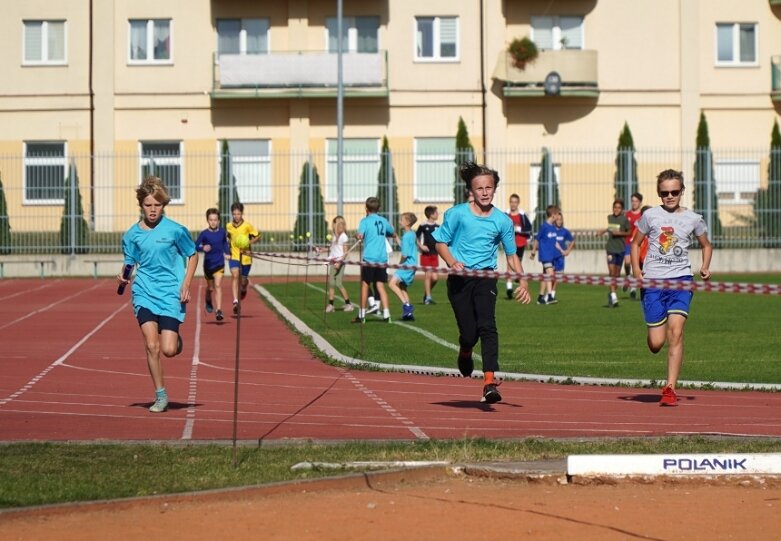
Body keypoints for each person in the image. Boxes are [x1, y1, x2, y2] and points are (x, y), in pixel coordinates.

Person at [434, 162, 531, 404]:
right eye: (480, 188)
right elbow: (440, 243)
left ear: (495, 189)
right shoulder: (457, 214)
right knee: (469, 333)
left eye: (489, 187)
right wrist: (451, 261)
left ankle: (489, 382)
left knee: (488, 326)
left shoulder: (502, 221)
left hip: (486, 277)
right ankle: (465, 351)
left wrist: (523, 281)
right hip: (459, 278)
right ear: (471, 190)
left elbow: (511, 256)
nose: (485, 192)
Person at [631, 169, 712, 407]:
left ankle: (670, 388)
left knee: (676, 332)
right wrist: (637, 271)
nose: (670, 196)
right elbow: (635, 244)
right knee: (656, 343)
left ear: (682, 191)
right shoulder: (650, 216)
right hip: (653, 283)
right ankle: (654, 337)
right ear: (659, 193)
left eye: (674, 192)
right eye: (665, 192)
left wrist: (705, 266)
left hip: (681, 281)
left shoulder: (694, 218)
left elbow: (706, 245)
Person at [118, 176, 198, 413]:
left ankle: (174, 338)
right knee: (152, 346)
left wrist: (186, 284)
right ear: (141, 205)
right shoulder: (132, 235)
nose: (153, 210)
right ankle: (160, 395)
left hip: (170, 293)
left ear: (163, 205)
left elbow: (192, 255)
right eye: (148, 205)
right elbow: (130, 262)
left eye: (157, 205)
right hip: (144, 292)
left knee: (169, 350)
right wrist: (123, 276)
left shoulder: (175, 230)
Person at [353, 197, 398, 323]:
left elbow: (360, 235)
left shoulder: (365, 221)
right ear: (379, 208)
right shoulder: (383, 220)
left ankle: (361, 315)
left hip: (370, 258)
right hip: (382, 259)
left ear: (366, 208)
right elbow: (393, 233)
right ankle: (387, 315)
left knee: (365, 285)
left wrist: (358, 236)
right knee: (380, 286)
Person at [194, 208, 229, 321]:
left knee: (218, 285)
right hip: (208, 265)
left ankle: (219, 310)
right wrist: (202, 247)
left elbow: (224, 243)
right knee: (211, 288)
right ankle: (208, 299)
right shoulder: (204, 234)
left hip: (220, 264)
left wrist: (227, 253)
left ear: (219, 221)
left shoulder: (222, 232)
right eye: (211, 220)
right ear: (207, 220)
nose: (213, 222)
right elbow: (194, 246)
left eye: (215, 220)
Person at [226, 202, 259, 315]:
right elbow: (227, 238)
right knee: (235, 275)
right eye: (234, 214)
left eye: (238, 214)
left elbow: (257, 236)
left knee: (243, 281)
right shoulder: (229, 226)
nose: (236, 216)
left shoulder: (247, 226)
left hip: (246, 257)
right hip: (234, 256)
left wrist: (248, 242)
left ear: (242, 214)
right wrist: (227, 250)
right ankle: (236, 301)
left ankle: (244, 288)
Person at [315, 216, 354, 313]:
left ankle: (349, 304)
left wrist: (339, 263)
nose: (332, 225)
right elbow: (332, 248)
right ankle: (331, 305)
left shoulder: (343, 237)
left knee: (338, 283)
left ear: (337, 224)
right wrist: (321, 249)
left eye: (333, 223)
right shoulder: (335, 236)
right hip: (333, 261)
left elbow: (345, 253)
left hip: (339, 262)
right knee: (332, 283)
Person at [599, 199, 630, 307]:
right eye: (614, 207)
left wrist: (620, 233)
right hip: (610, 249)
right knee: (611, 273)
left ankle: (611, 294)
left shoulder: (625, 220)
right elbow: (610, 228)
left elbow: (629, 232)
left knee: (616, 274)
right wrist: (603, 231)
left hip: (620, 249)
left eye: (618, 207)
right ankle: (613, 296)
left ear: (622, 209)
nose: (616, 209)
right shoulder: (610, 217)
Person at [388, 212, 418, 321]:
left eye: (401, 220)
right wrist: (395, 236)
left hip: (407, 265)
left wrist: (399, 263)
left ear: (407, 222)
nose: (399, 222)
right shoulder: (411, 234)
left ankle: (407, 305)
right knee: (402, 287)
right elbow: (404, 246)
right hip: (412, 265)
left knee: (391, 284)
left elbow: (404, 254)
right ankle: (408, 314)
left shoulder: (406, 236)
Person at [529, 205, 560, 305]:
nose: (558, 217)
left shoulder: (553, 228)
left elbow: (554, 242)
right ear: (552, 215)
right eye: (557, 215)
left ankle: (540, 297)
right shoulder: (544, 227)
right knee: (550, 274)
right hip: (545, 255)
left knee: (545, 276)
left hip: (551, 256)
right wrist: (533, 251)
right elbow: (537, 239)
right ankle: (550, 296)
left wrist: (561, 251)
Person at [505, 194, 533, 299]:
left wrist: (519, 230)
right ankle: (509, 288)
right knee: (509, 263)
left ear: (518, 203)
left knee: (518, 264)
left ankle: (518, 279)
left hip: (520, 243)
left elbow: (528, 228)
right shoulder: (506, 214)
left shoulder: (522, 215)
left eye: (515, 202)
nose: (513, 204)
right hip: (510, 243)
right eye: (511, 201)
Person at [416, 205, 441, 304]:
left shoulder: (438, 227)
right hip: (426, 254)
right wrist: (420, 246)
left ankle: (427, 294)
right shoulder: (423, 226)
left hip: (435, 254)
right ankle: (428, 298)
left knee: (435, 278)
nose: (438, 214)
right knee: (428, 275)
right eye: (436, 212)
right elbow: (416, 237)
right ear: (431, 214)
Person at [550, 212, 575, 302]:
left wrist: (568, 250)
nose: (559, 221)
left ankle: (552, 294)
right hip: (551, 257)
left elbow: (572, 242)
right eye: (557, 219)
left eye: (561, 219)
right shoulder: (551, 230)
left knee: (557, 277)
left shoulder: (564, 231)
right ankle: (548, 294)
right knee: (550, 275)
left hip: (560, 258)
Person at [624, 193, 644, 299]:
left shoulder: (642, 215)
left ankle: (633, 287)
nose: (634, 203)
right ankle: (628, 277)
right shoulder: (627, 215)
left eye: (636, 201)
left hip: (639, 244)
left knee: (636, 265)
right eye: (632, 201)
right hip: (628, 242)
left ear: (640, 202)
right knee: (627, 262)